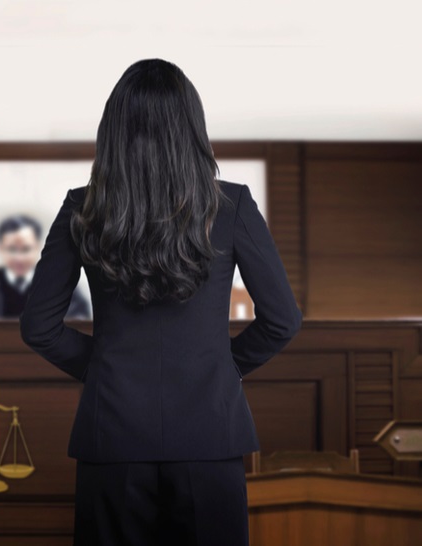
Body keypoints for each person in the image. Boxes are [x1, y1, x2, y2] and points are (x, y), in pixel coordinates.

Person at [19, 59, 302, 546]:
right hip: (211, 439)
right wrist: (223, 365)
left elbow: (38, 326)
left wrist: (102, 367)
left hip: (112, 440)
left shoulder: (81, 207)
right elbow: (282, 320)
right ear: (192, 127)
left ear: (113, 130)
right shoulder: (232, 206)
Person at [0, 214, 91, 319]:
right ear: (0, 248)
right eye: (11, 249)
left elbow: (79, 319)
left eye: (26, 249)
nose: (19, 258)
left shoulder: (59, 284)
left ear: (38, 247)